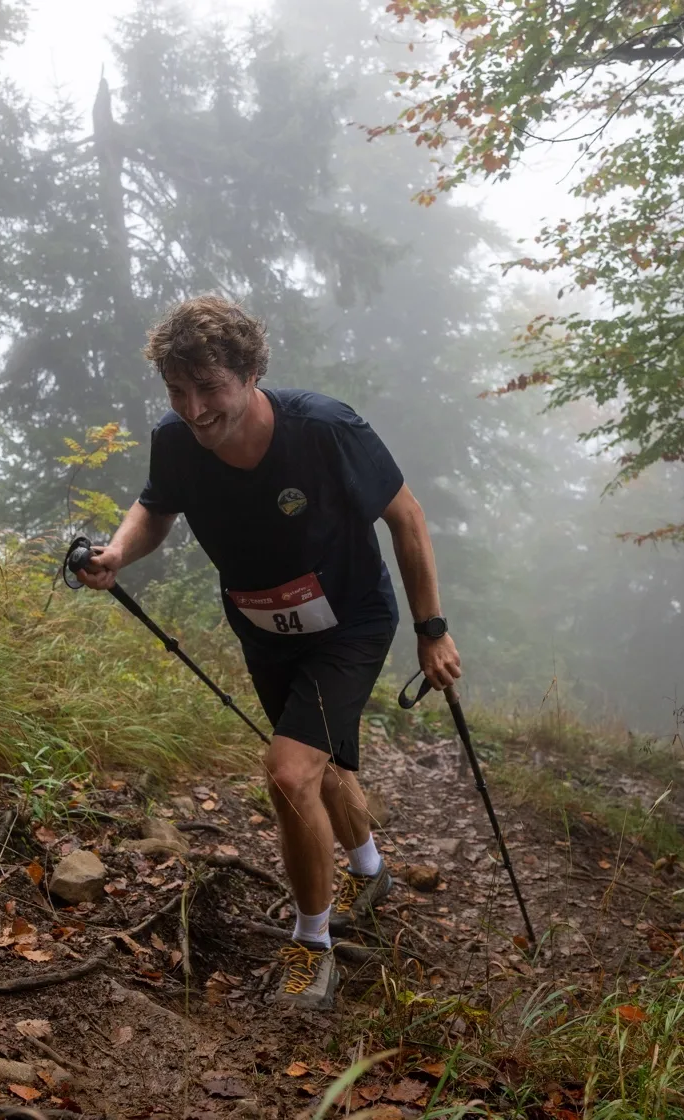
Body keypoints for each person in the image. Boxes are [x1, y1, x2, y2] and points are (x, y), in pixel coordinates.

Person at [77, 294, 461, 1011]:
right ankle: (370, 870)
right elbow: (157, 506)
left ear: (252, 373)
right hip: (263, 627)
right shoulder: (175, 439)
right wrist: (117, 553)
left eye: (210, 389)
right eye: (179, 392)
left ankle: (311, 945)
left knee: (287, 773)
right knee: (319, 766)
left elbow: (405, 517)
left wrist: (431, 627)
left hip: (350, 622)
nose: (194, 409)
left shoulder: (325, 428)